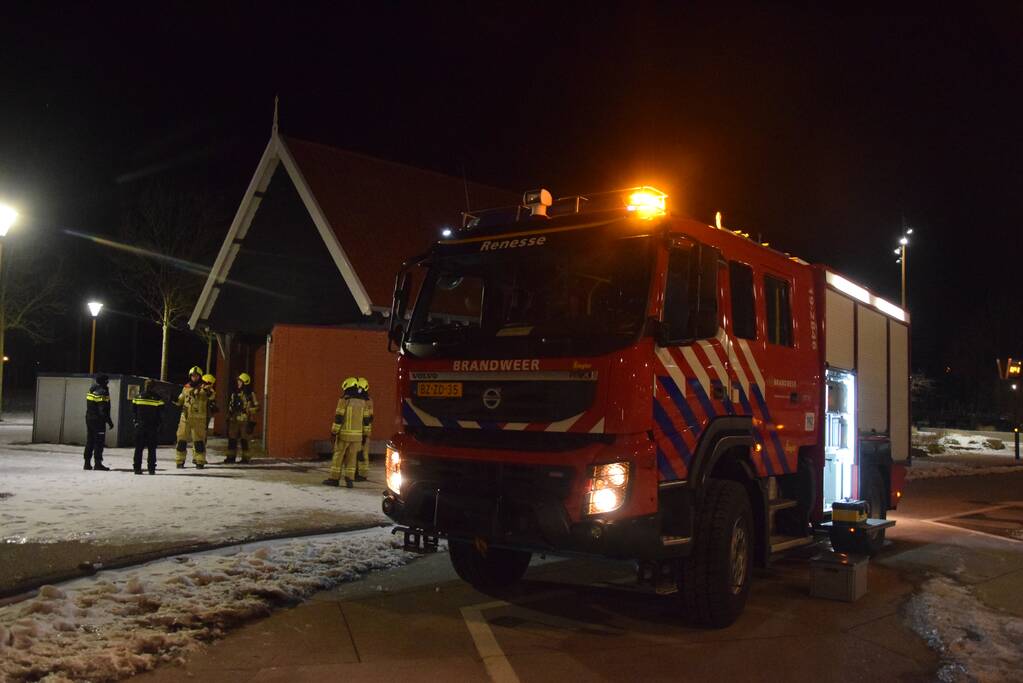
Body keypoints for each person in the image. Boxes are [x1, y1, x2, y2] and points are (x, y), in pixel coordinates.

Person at [324, 377, 368, 488]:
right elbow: (366, 420)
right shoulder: (363, 402)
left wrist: (334, 432)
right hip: (357, 437)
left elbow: (338, 417)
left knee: (338, 456)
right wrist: (365, 435)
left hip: (344, 435)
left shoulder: (344, 400)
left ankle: (334, 479)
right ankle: (349, 479)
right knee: (352, 458)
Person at [174, 366, 214, 469]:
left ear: (200, 376)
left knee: (199, 441)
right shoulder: (186, 387)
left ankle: (200, 461)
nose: (194, 377)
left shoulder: (205, 387)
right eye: (192, 376)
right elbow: (180, 400)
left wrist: (208, 392)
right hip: (185, 418)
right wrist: (174, 399)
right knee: (181, 440)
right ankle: (180, 460)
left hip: (199, 419)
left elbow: (212, 395)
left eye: (196, 376)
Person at [224, 372, 260, 464]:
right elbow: (231, 406)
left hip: (245, 420)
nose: (238, 383)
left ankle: (246, 458)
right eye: (238, 381)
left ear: (245, 382)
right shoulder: (234, 393)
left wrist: (249, 410)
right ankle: (230, 457)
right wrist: (228, 416)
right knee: (232, 440)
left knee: (245, 440)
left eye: (240, 381)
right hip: (234, 420)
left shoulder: (250, 394)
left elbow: (257, 407)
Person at [131, 380, 165, 475]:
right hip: (152, 427)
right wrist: (160, 425)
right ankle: (151, 469)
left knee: (138, 449)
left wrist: (136, 422)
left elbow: (134, 411)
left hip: (140, 427)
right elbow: (161, 414)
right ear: (154, 387)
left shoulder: (137, 397)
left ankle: (137, 468)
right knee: (152, 449)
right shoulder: (158, 399)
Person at [84, 373, 114, 471]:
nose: (108, 383)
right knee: (99, 442)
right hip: (98, 421)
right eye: (107, 381)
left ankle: (87, 463)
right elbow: (103, 409)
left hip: (89, 418)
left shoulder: (92, 389)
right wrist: (108, 421)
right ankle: (98, 463)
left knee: (90, 441)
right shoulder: (103, 392)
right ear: (104, 382)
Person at [355, 377, 374, 481]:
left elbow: (369, 418)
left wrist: (365, 433)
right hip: (357, 430)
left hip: (364, 430)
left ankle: (363, 474)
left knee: (363, 453)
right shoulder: (362, 400)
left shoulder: (367, 401)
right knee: (356, 452)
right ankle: (356, 472)